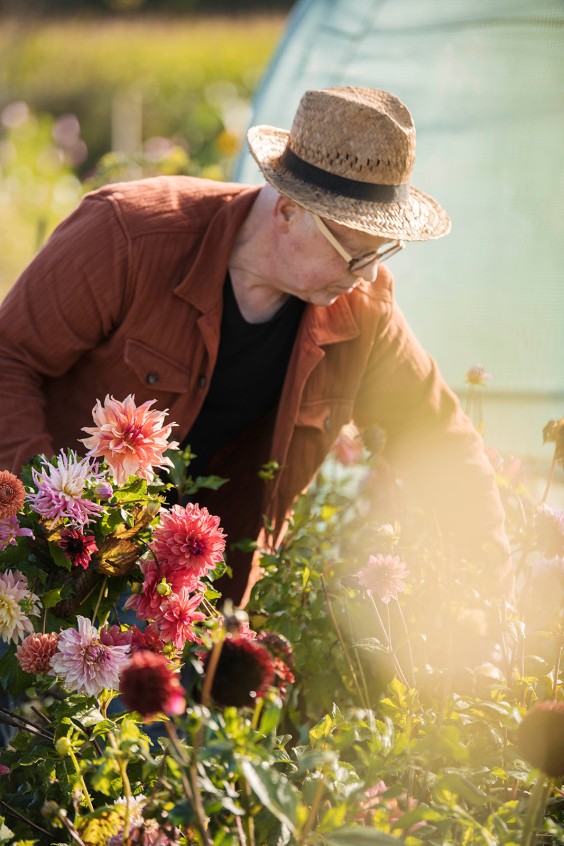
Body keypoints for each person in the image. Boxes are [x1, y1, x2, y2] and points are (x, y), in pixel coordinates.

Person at [0, 86, 510, 605]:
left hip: (192, 606)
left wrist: (489, 600)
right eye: (355, 252)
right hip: (43, 574)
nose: (369, 275)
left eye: (382, 252)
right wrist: (55, 520)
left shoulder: (361, 307)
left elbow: (437, 439)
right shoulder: (128, 236)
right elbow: (8, 359)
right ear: (287, 211)